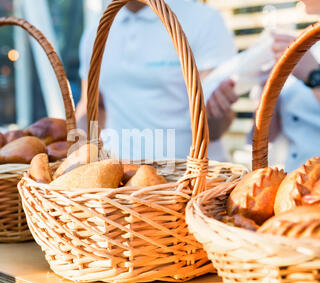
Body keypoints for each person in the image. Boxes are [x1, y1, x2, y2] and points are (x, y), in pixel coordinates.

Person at [76, 0, 238, 162]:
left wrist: (217, 108)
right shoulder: (96, 30)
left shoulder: (204, 20)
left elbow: (216, 128)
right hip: (123, 178)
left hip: (193, 177)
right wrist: (76, 154)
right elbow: (91, 106)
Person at [267, 0, 320, 171]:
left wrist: (316, 76)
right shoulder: (314, 45)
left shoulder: (308, 57)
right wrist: (266, 89)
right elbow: (268, 137)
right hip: (293, 186)